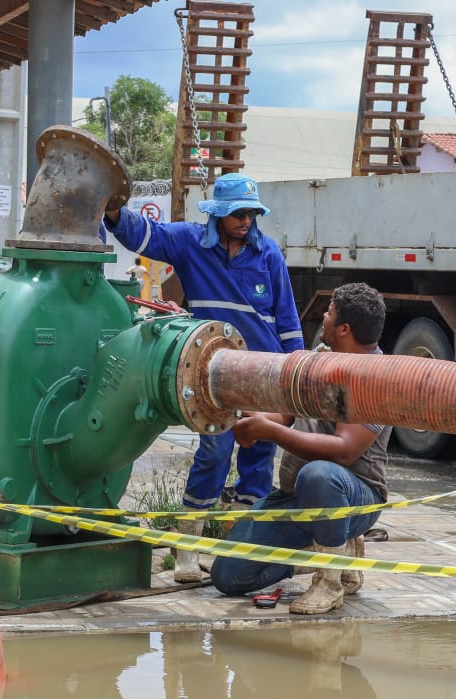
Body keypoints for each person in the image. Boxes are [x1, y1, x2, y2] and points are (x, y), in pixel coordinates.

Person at [102, 173, 304, 582]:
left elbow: (288, 322)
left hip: (262, 373)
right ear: (219, 215)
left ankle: (243, 549)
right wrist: (113, 210)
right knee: (214, 452)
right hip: (211, 373)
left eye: (252, 212)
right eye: (238, 213)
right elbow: (145, 235)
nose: (247, 220)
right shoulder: (190, 244)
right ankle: (187, 550)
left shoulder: (269, 256)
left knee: (259, 458)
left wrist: (289, 380)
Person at [209, 282, 390, 615]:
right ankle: (326, 556)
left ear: (345, 329)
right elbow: (285, 415)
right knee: (227, 575)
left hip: (353, 501)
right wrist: (250, 419)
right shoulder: (319, 361)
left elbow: (344, 451)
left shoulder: (376, 380)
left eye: (329, 313)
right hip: (296, 496)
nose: (323, 317)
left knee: (319, 474)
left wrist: (272, 432)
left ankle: (330, 582)